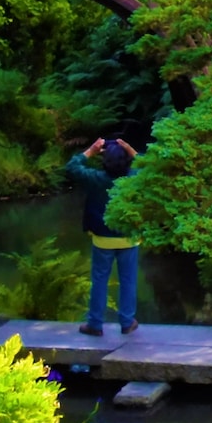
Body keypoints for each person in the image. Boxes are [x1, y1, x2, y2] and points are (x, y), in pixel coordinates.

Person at [67, 137, 140, 336]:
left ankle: (95, 324)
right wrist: (129, 148)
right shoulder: (135, 178)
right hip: (129, 238)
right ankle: (126, 322)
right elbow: (150, 166)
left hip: (102, 239)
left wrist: (91, 150)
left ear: (104, 161)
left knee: (99, 280)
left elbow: (72, 167)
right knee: (128, 280)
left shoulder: (95, 179)